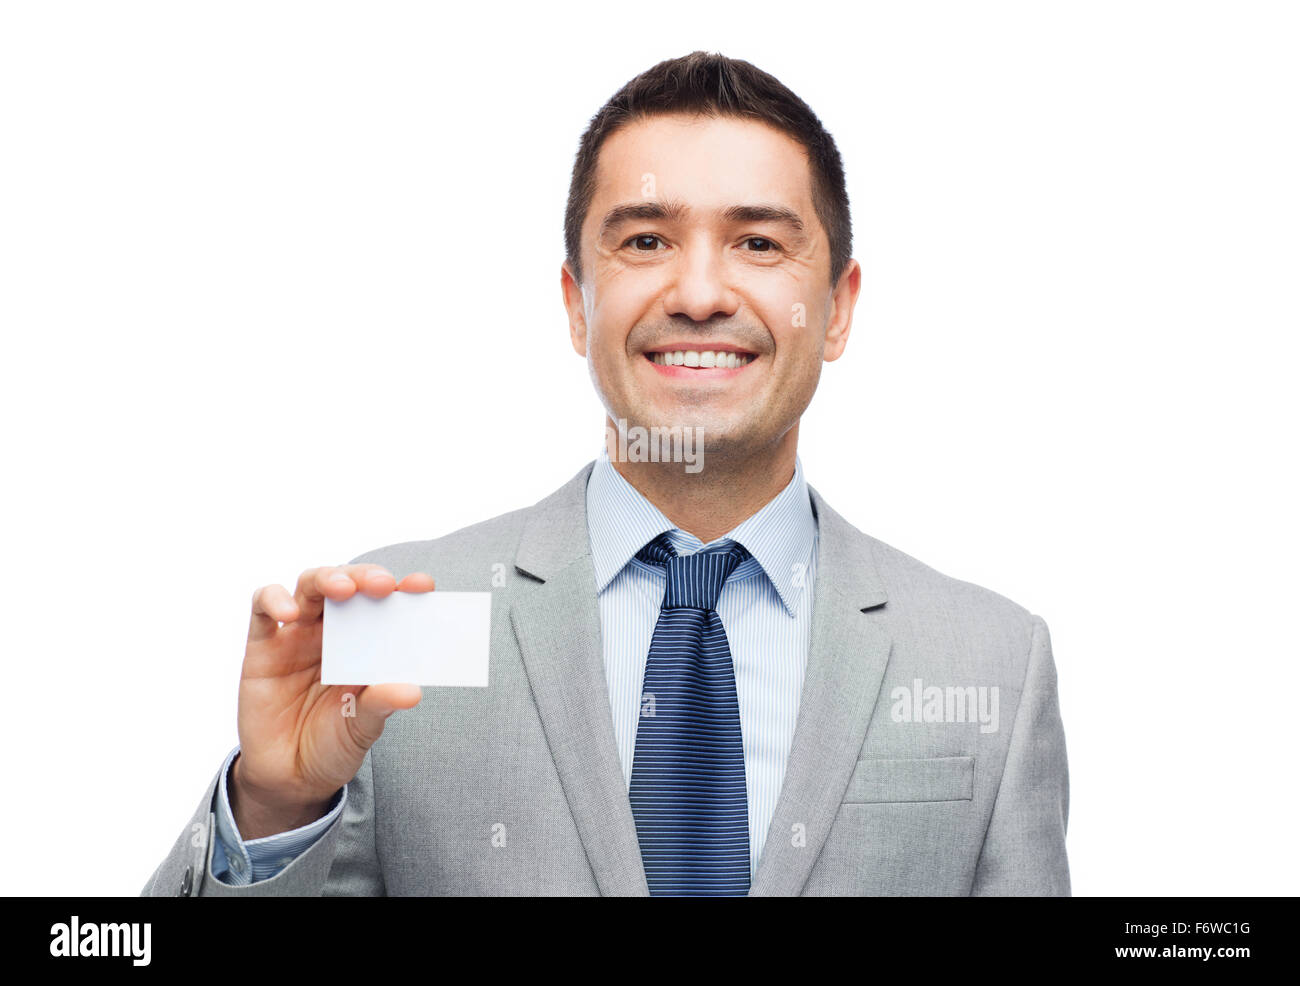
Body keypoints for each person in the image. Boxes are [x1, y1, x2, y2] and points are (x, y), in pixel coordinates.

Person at [143, 50, 1069, 897]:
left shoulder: (987, 661)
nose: (701, 294)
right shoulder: (403, 625)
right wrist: (270, 811)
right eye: (645, 241)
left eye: (758, 242)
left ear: (836, 309)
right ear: (577, 305)